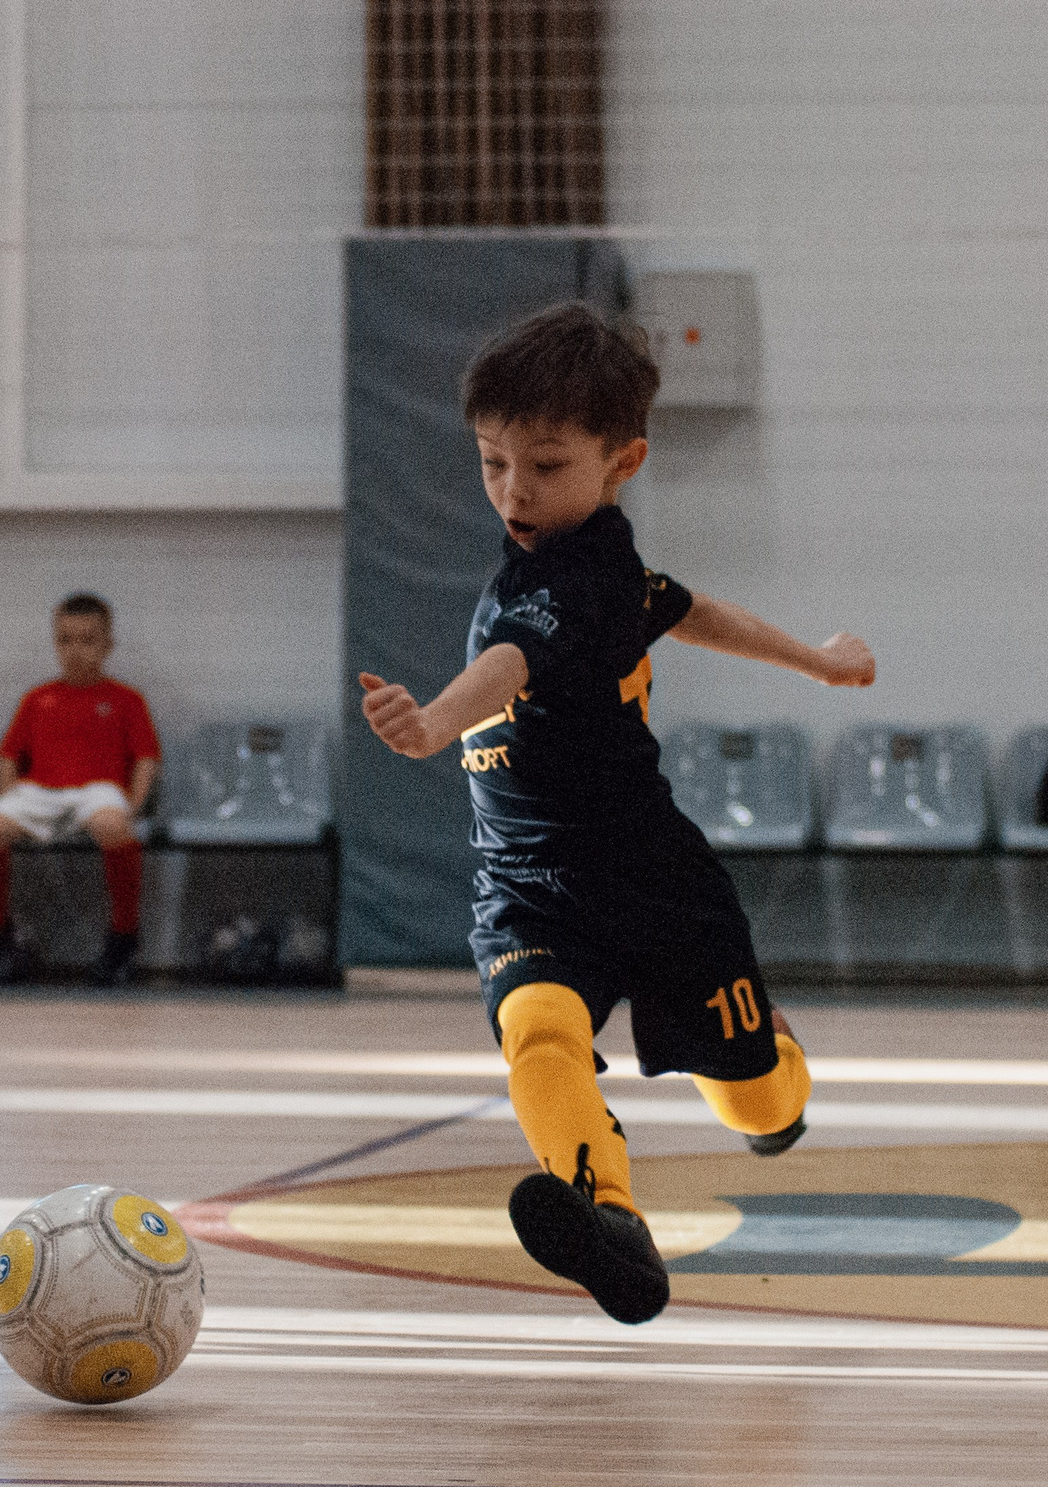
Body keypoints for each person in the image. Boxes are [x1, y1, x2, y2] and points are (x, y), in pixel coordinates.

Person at [357, 301, 875, 1324]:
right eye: (492, 460)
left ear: (623, 459)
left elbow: (505, 668)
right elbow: (686, 609)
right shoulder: (604, 571)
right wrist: (814, 657)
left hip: (652, 882)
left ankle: (772, 1069)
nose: (513, 487)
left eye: (544, 465)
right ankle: (611, 1220)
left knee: (759, 1100)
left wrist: (431, 725)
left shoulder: (571, 583)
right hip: (529, 885)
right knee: (537, 1035)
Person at [0, 594, 159, 986]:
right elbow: (9, 754)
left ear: (107, 645)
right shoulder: (38, 698)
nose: (75, 650)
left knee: (113, 827)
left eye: (87, 641)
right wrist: (7, 796)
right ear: (56, 642)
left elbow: (145, 757)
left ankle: (123, 935)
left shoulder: (126, 700)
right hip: (40, 790)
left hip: (99, 789)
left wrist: (135, 801)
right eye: (65, 640)